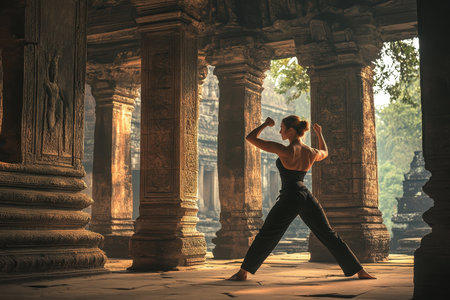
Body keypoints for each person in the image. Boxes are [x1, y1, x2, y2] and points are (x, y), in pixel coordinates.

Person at [228, 115, 376, 281]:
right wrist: (320, 134)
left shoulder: (284, 150)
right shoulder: (310, 152)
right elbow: (325, 153)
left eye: (282, 129)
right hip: (305, 195)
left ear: (291, 131)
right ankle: (360, 270)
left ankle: (243, 272)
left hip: (289, 196)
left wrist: (265, 124)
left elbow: (251, 138)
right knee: (328, 234)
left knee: (267, 234)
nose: (279, 131)